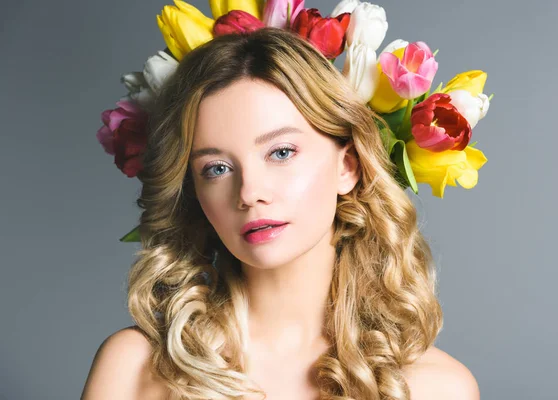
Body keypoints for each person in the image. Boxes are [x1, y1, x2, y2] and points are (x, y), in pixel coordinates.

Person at [82, 28, 479, 400]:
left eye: (281, 153)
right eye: (216, 168)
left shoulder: (437, 388)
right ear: (194, 191)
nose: (250, 193)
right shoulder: (132, 368)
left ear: (348, 166)